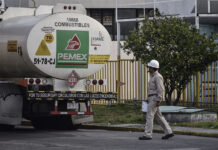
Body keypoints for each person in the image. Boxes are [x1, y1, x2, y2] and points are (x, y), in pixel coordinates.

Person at [139, 59, 174, 140]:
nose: (149, 68)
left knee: (149, 116)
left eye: (150, 67)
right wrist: (148, 98)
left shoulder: (158, 77)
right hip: (152, 98)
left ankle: (148, 134)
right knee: (159, 116)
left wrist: (158, 100)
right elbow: (152, 89)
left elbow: (160, 89)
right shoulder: (153, 76)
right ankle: (169, 132)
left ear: (153, 68)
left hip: (154, 98)